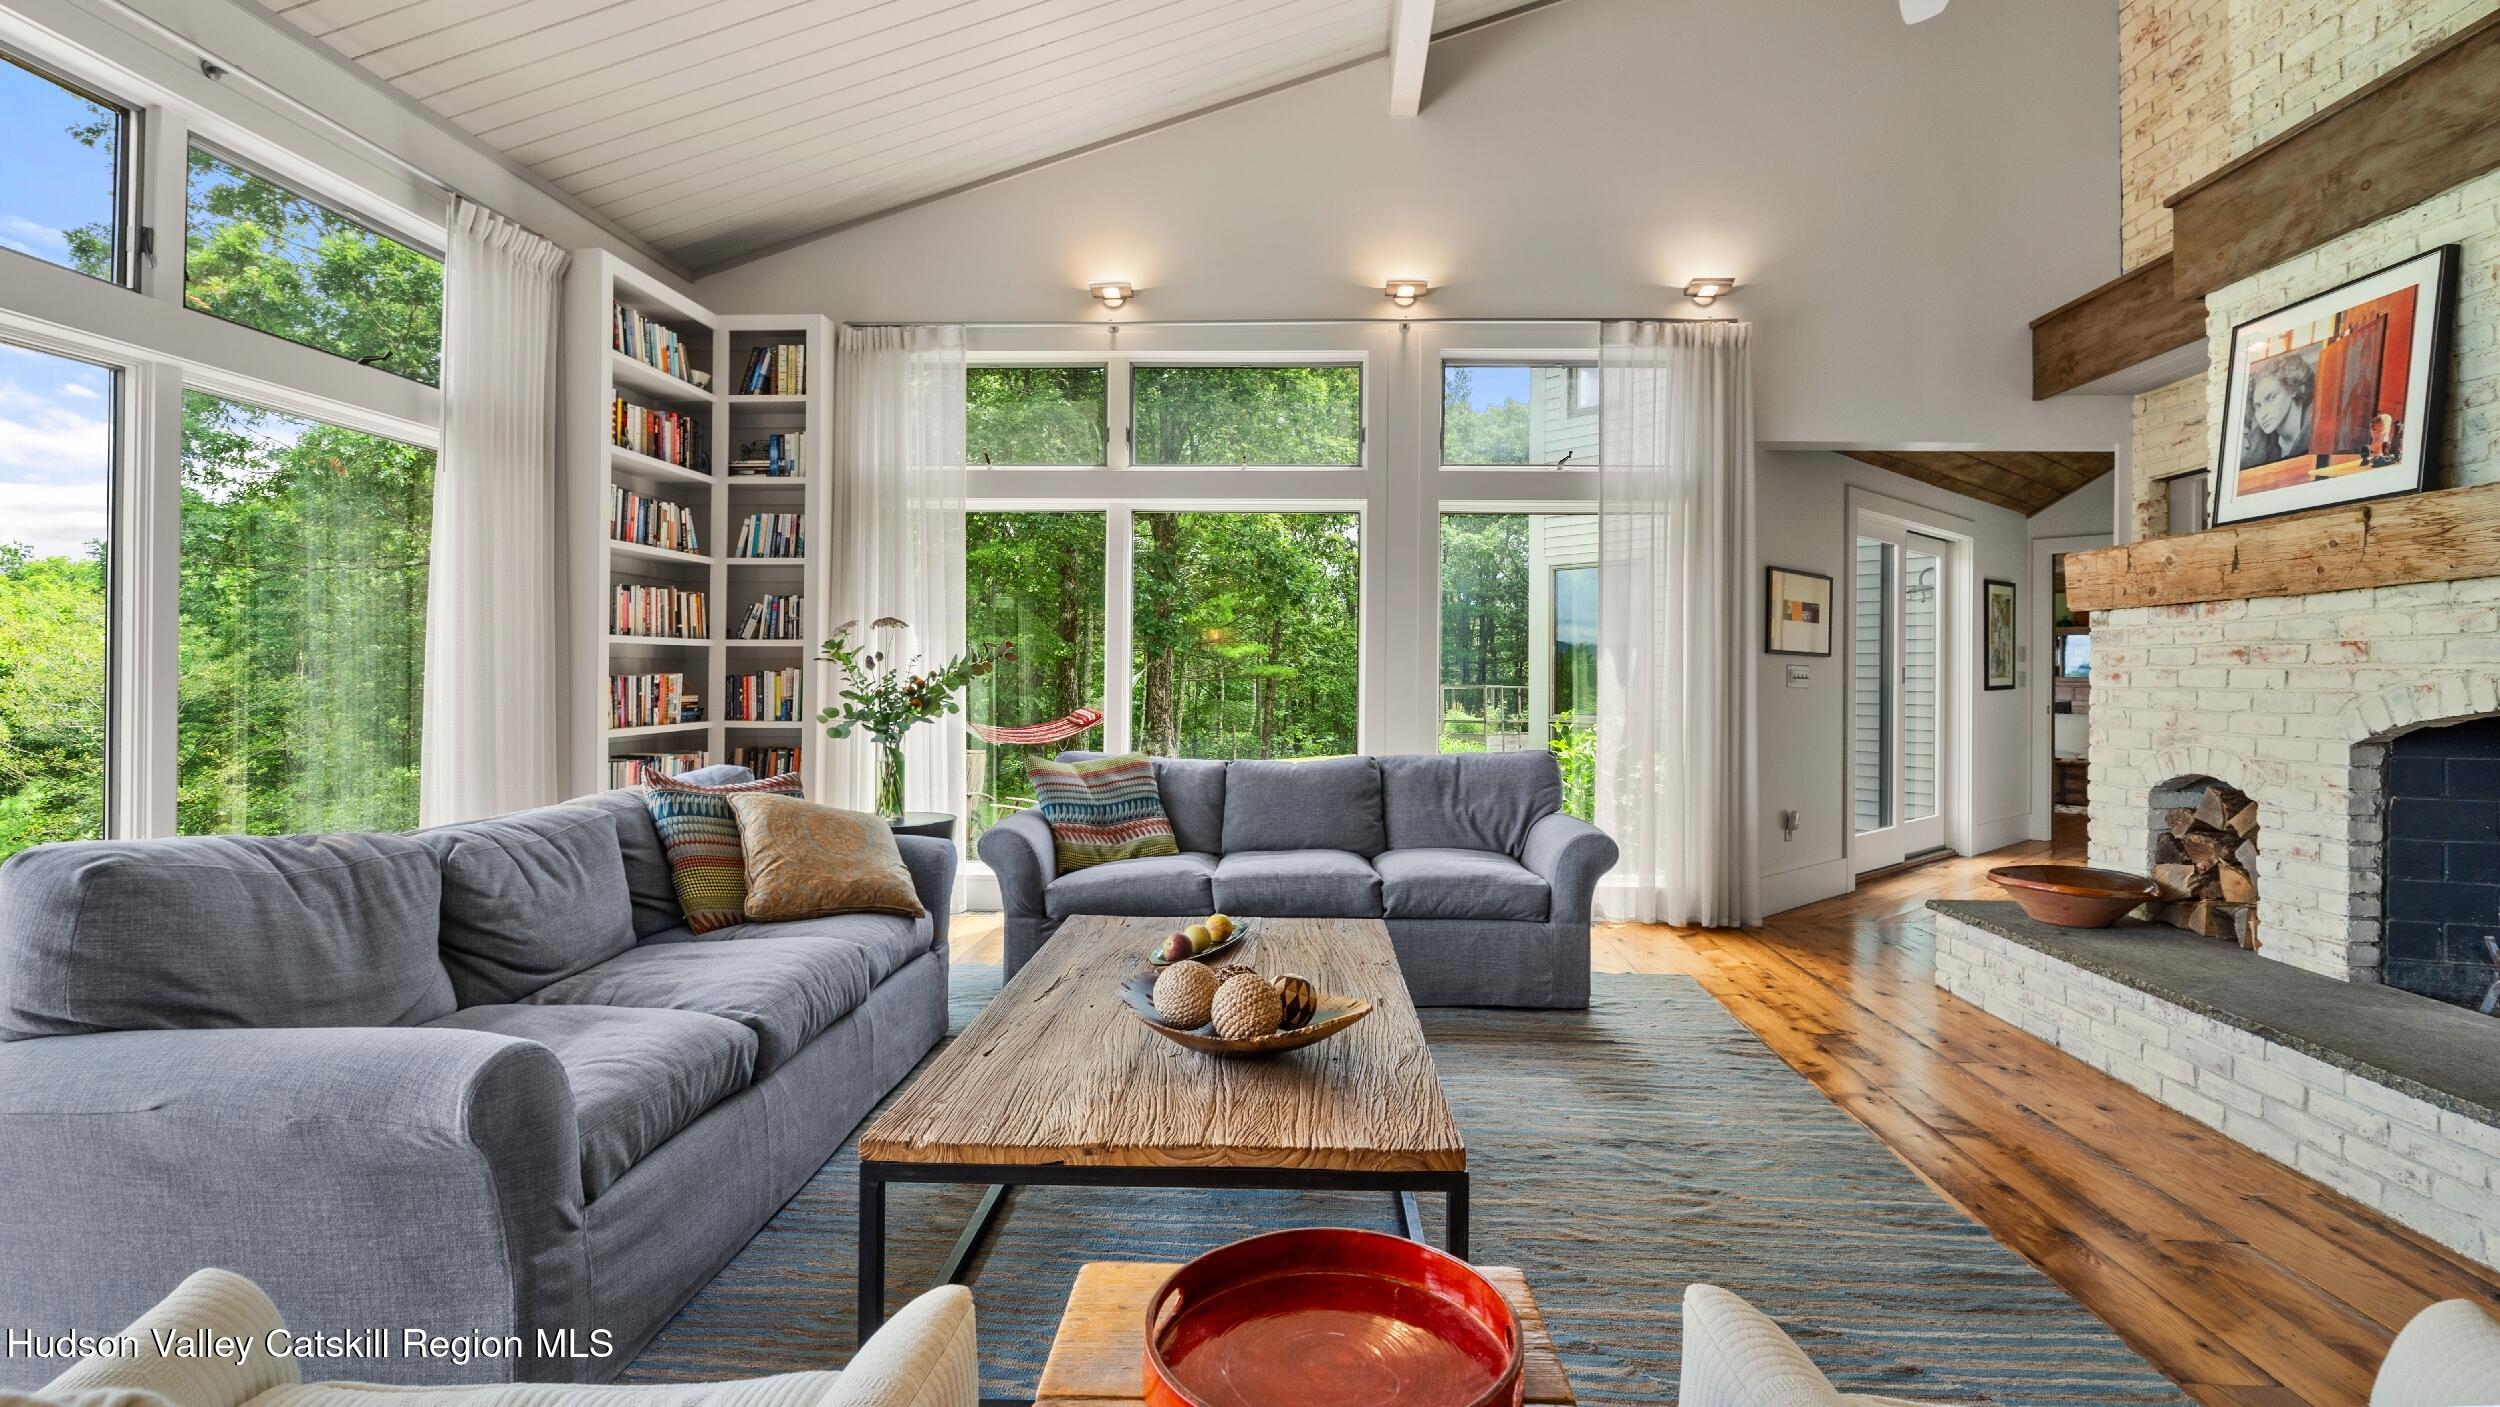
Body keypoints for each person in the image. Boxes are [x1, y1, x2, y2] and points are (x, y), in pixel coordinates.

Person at [2241, 350, 2316, 467]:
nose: (2263, 414)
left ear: (2292, 389)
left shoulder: (2320, 431)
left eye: (2271, 398)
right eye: (2258, 406)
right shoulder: (2258, 450)